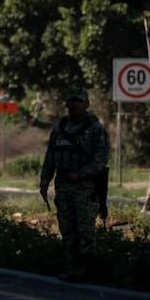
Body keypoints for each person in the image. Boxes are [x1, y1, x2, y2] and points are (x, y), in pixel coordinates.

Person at [39, 87, 110, 282]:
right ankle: (73, 266)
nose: (74, 104)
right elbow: (51, 157)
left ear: (86, 103)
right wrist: (45, 181)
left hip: (85, 187)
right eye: (71, 100)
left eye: (78, 100)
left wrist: (80, 174)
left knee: (85, 229)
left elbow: (101, 158)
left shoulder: (95, 129)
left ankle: (88, 269)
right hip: (63, 186)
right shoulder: (60, 129)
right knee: (67, 228)